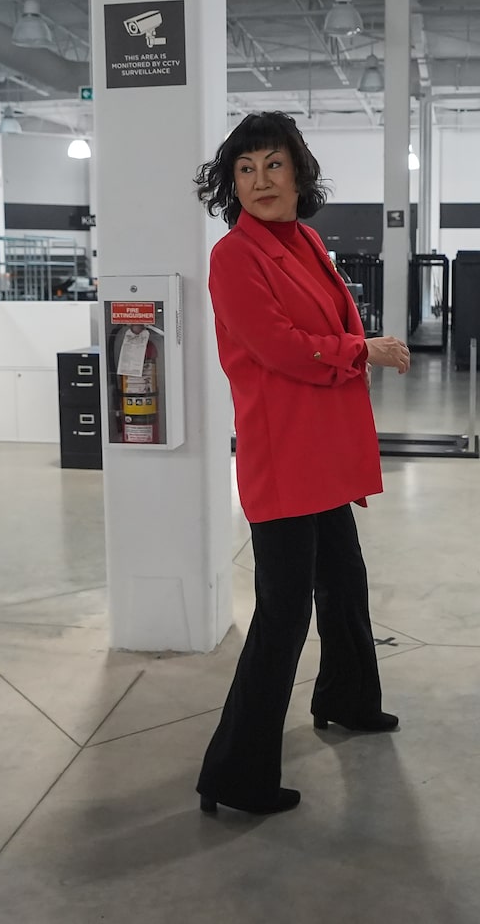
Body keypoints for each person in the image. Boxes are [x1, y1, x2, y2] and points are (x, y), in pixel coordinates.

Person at [194, 111, 410, 817]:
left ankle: (347, 699)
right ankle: (233, 772)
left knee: (344, 584)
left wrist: (357, 341)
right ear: (232, 182)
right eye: (246, 168)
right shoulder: (233, 257)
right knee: (283, 615)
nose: (260, 180)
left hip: (325, 448)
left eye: (273, 164)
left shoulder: (309, 240)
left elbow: (332, 322)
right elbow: (283, 346)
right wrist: (361, 351)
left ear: (298, 173)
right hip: (285, 453)